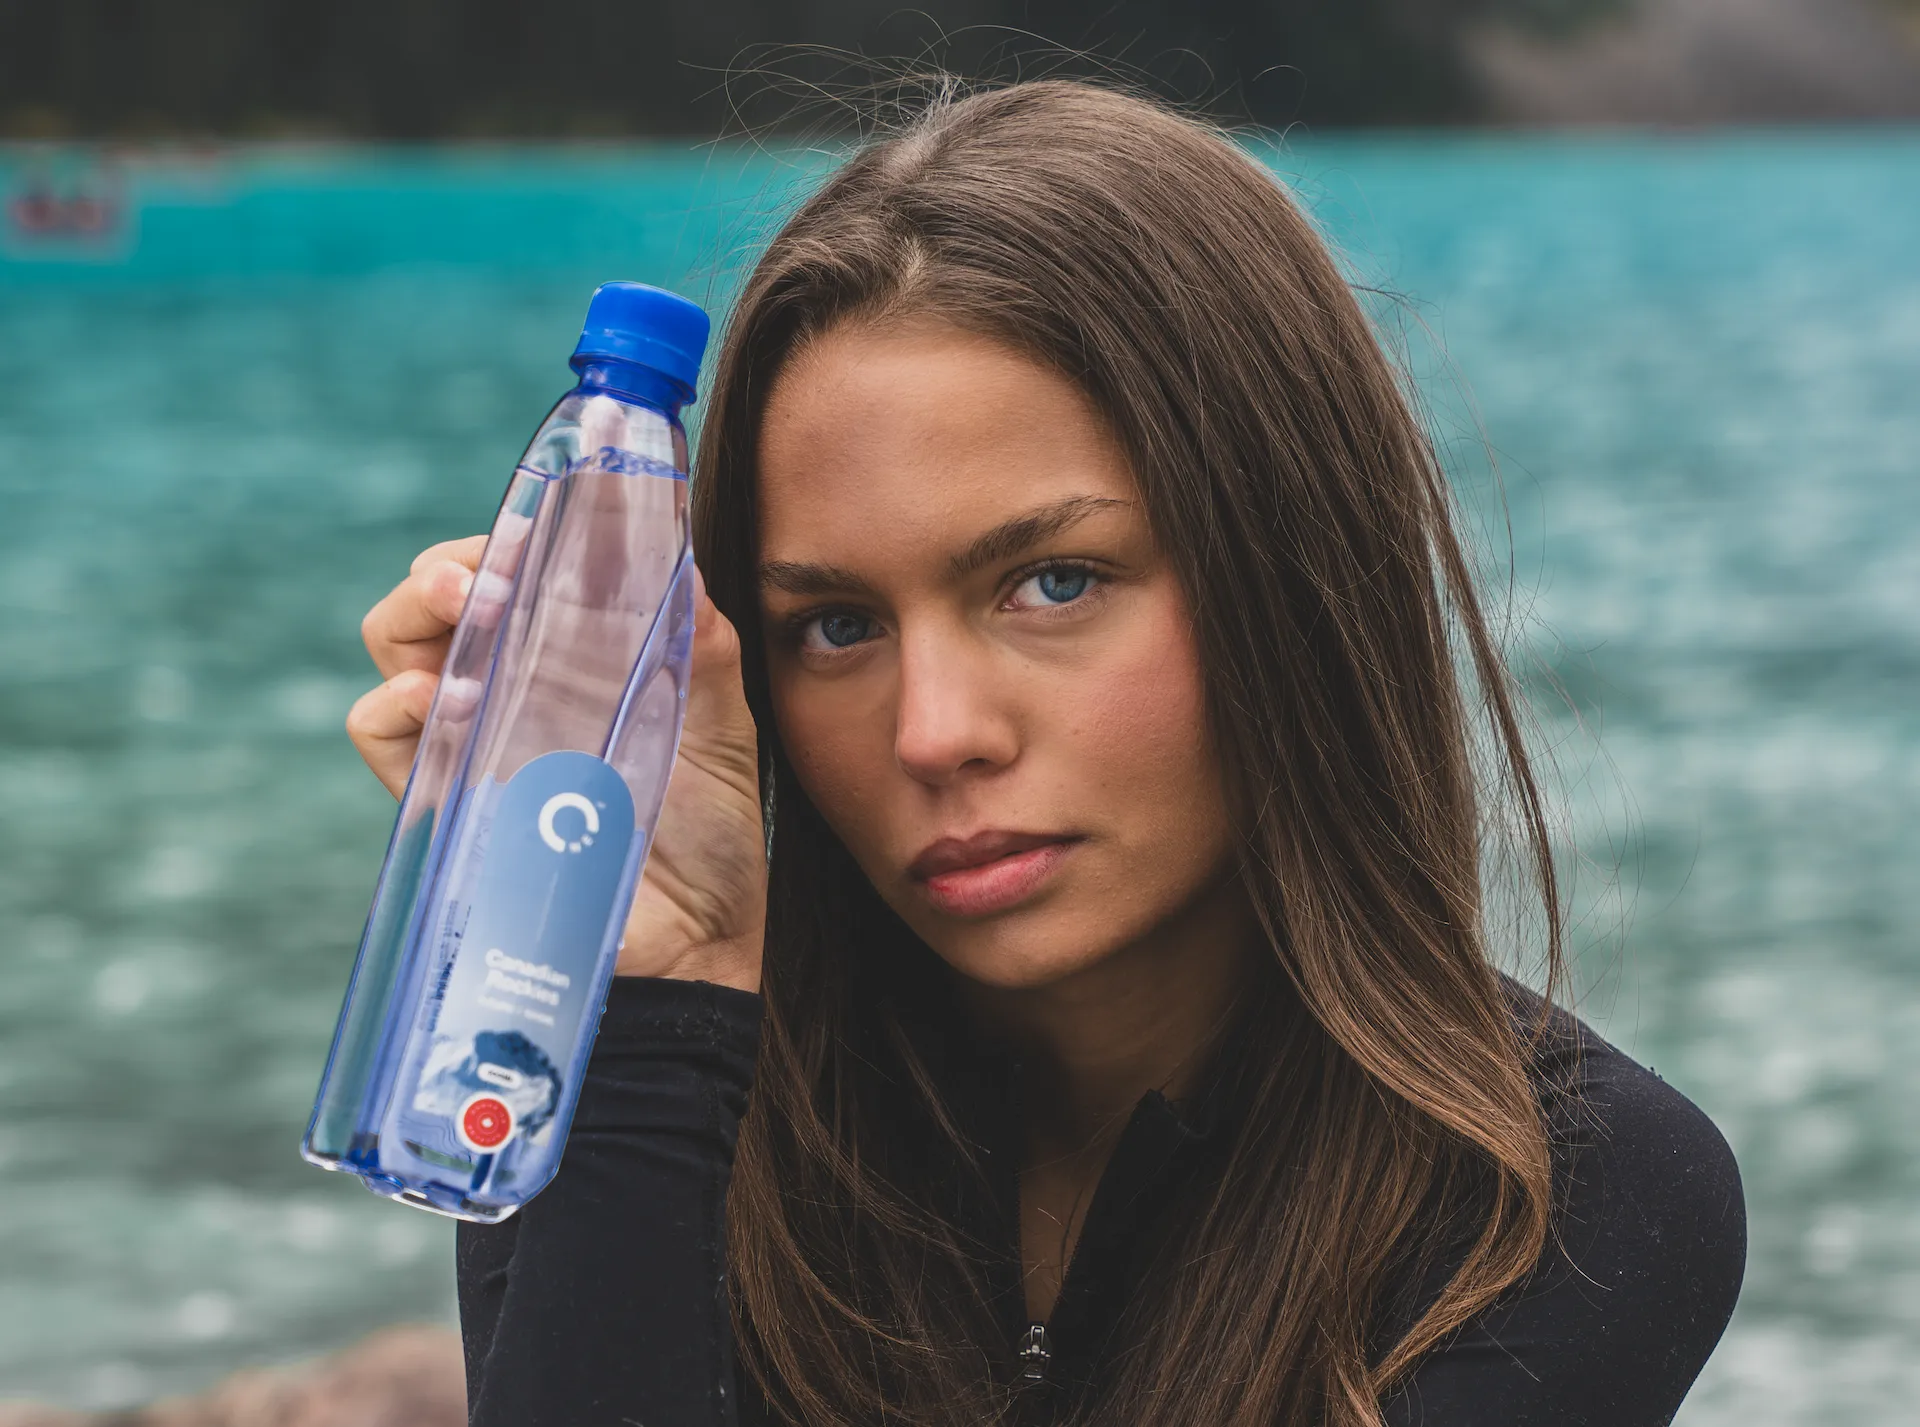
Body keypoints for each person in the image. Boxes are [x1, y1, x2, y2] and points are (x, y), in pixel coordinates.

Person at [347, 80, 1745, 1427]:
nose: (936, 732)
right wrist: (654, 983)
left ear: (1298, 574)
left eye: (1053, 583)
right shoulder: (642, 1088)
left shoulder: (1560, 1197)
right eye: (835, 624)